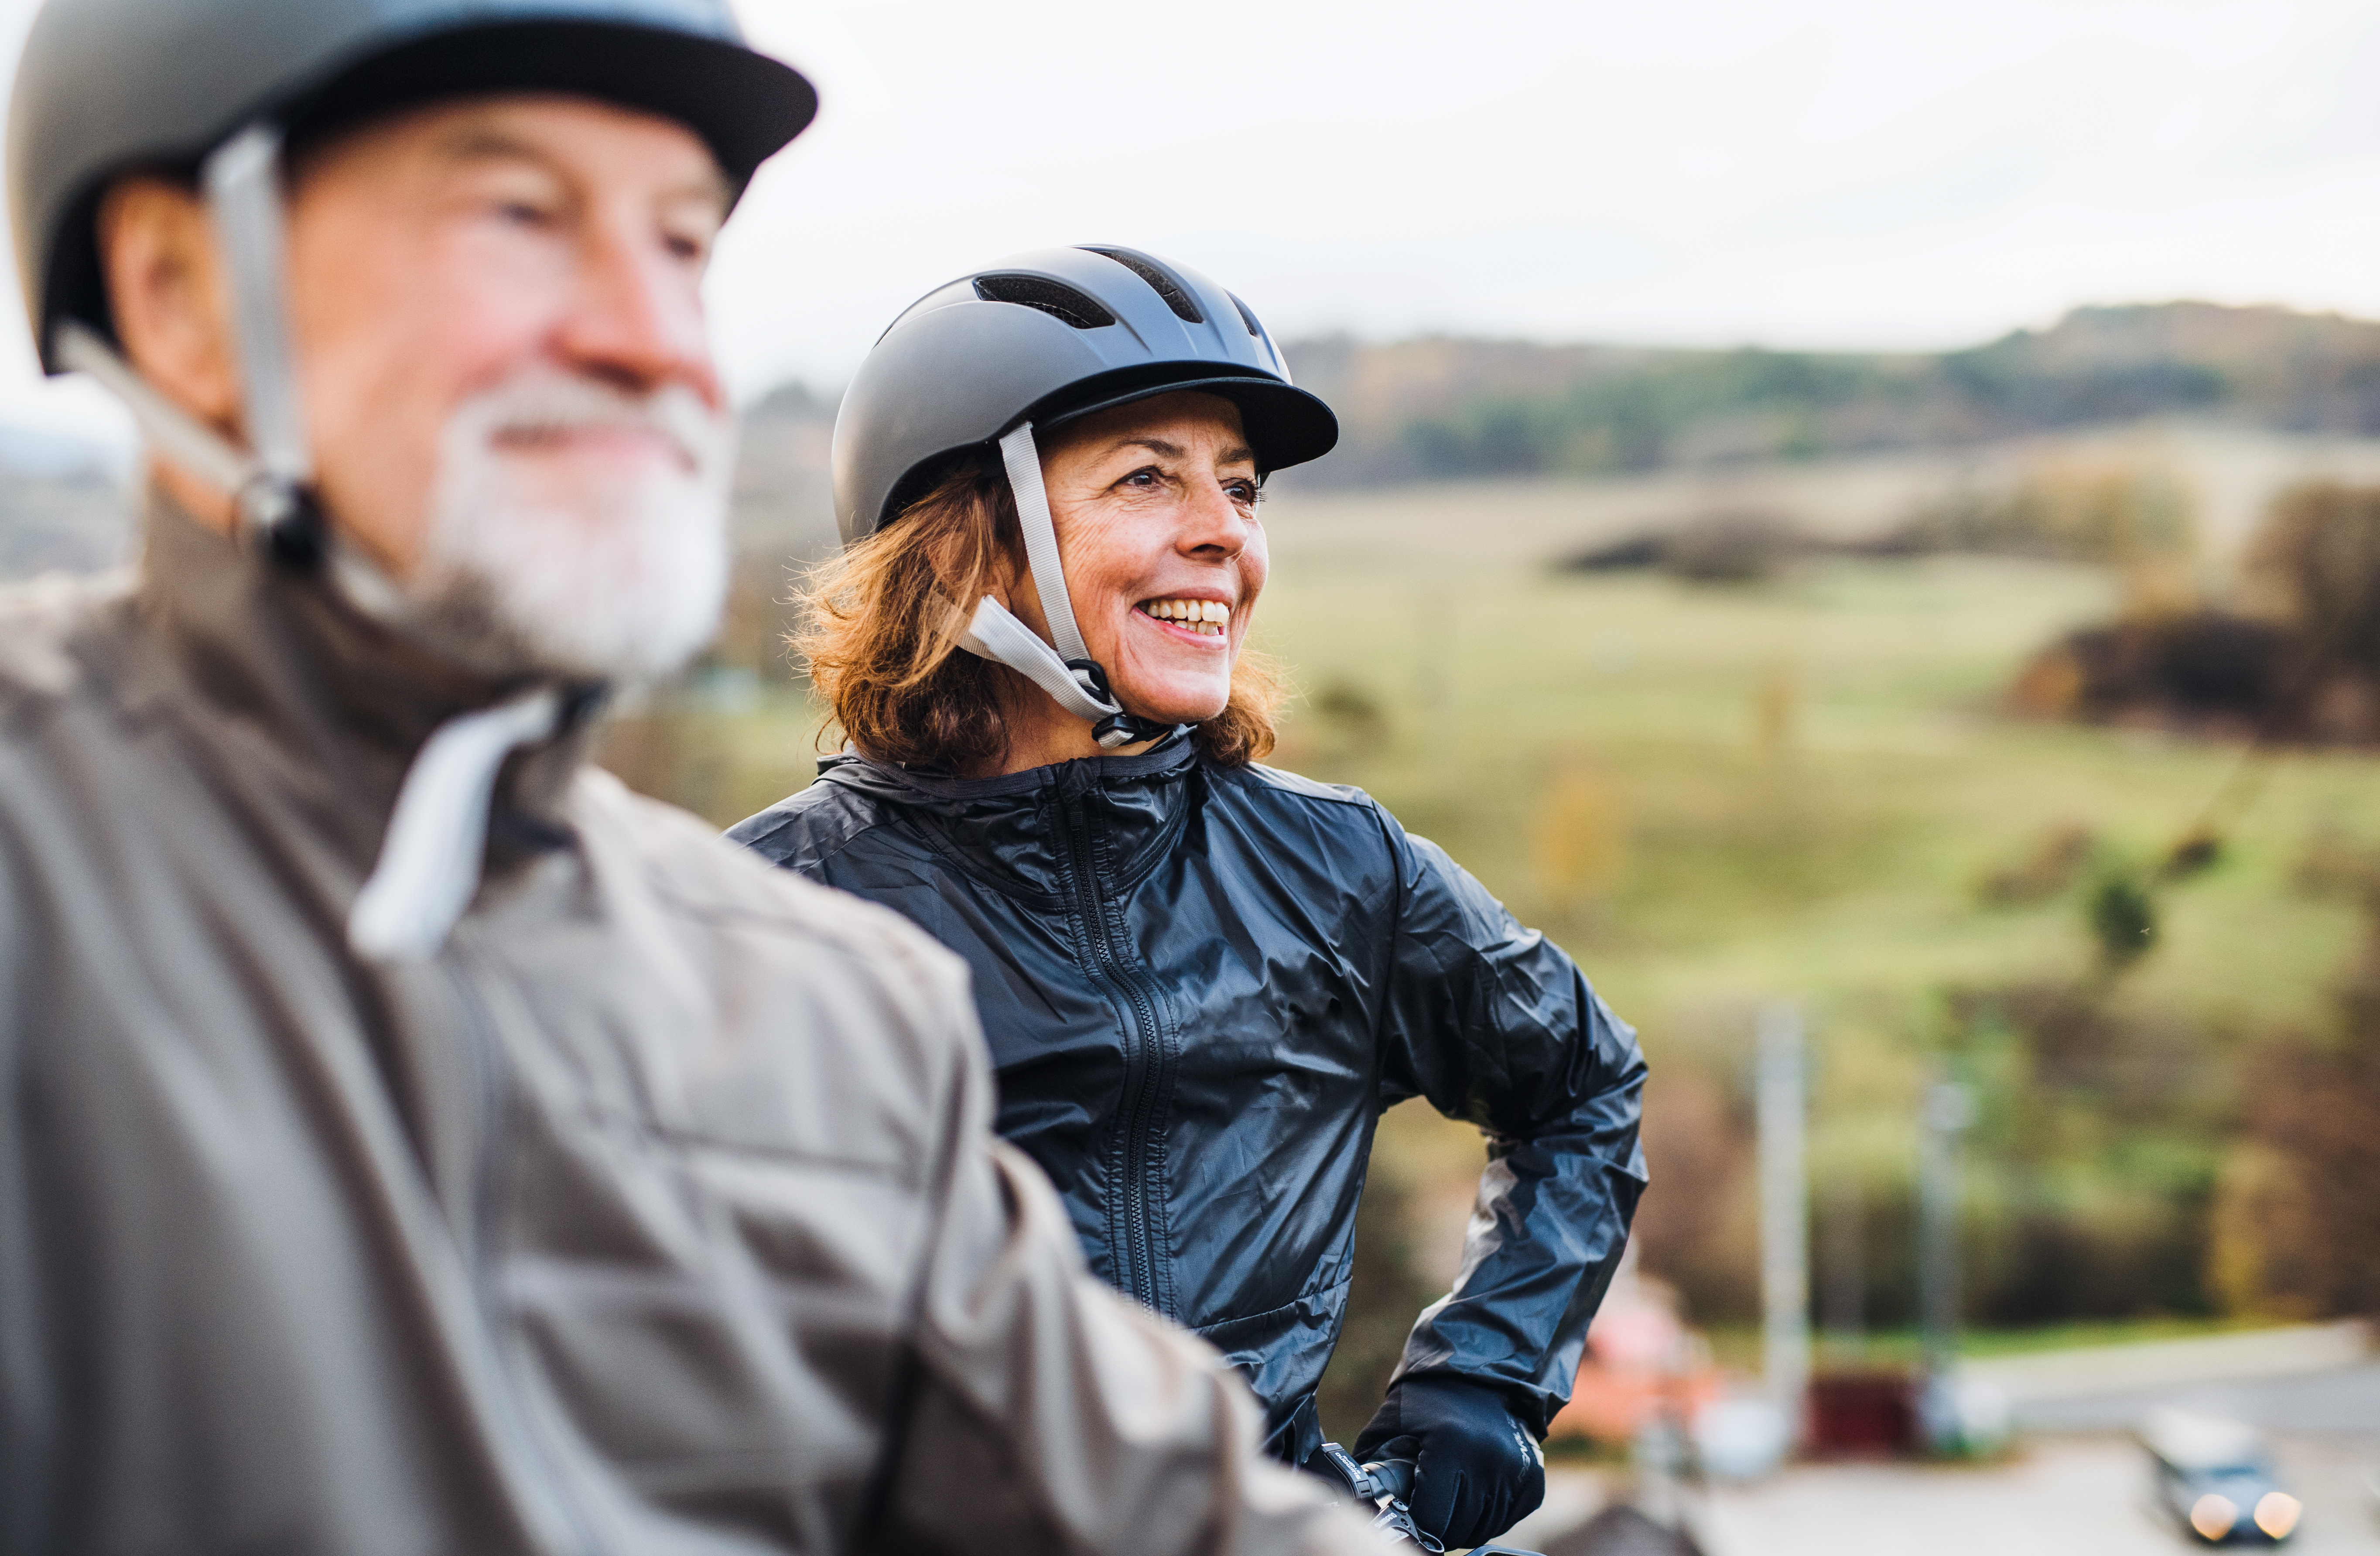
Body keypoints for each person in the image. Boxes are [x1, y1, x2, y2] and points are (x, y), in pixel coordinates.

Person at [0, 7, 1383, 1553]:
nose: (651, 339)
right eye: (520, 215)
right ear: (180, 290)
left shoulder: (826, 1015)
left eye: (679, 249)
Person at [729, 247, 1651, 1552]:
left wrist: (1484, 1384)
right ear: (967, 542)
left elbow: (1584, 1087)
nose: (1227, 533)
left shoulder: (1343, 873)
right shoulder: (758, 918)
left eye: (1240, 487)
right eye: (1148, 477)